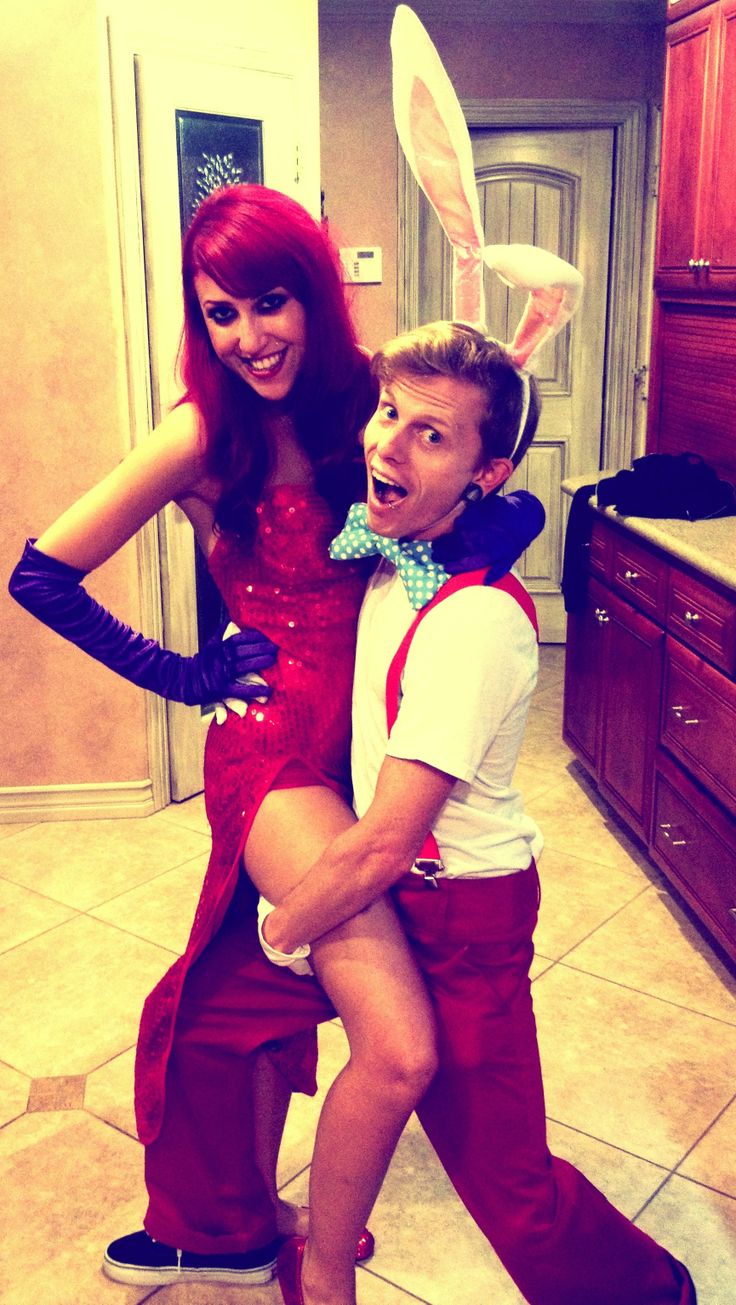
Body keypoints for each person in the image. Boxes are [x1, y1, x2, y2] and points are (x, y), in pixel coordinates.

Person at [8, 183, 543, 1295]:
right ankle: (315, 1271)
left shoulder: (367, 404)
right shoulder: (202, 430)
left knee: (247, 989)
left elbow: (460, 481)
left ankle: (230, 1218)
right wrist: (186, 672)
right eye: (219, 314)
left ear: (312, 291)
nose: (249, 336)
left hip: (366, 745)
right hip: (273, 758)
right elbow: (40, 572)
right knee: (396, 1043)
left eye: (269, 301)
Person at [258, 320, 698, 1305]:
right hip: (403, 901)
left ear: (484, 474)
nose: (387, 445)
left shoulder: (474, 624)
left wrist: (282, 930)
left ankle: (645, 1289)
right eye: (388, 415)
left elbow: (382, 841)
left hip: (461, 918)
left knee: (505, 1184)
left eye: (431, 436)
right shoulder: (388, 544)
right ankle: (304, 1256)